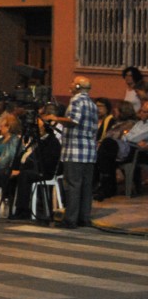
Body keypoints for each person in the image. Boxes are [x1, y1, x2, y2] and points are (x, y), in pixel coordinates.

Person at [43, 76, 98, 229]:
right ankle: (84, 217)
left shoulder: (76, 101)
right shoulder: (92, 104)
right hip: (89, 150)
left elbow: (74, 120)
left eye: (73, 82)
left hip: (75, 150)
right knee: (86, 186)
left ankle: (70, 219)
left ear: (79, 86)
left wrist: (55, 118)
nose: (70, 84)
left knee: (73, 184)